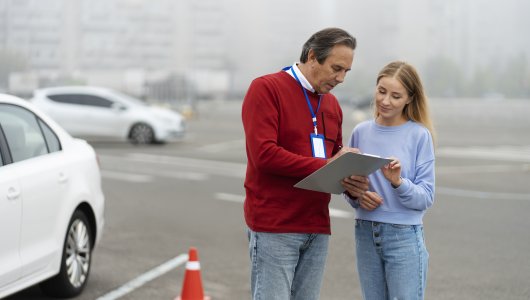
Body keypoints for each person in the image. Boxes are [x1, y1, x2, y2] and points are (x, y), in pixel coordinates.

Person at [241, 27, 368, 300]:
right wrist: (327, 165)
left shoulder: (332, 104)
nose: (341, 78)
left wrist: (352, 182)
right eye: (337, 68)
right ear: (312, 56)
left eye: (347, 71)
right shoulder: (266, 88)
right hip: (275, 226)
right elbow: (264, 154)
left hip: (317, 226)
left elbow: (333, 160)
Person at [342, 61, 436, 300]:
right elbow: (348, 186)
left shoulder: (419, 135)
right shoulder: (360, 132)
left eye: (396, 96)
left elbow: (426, 197)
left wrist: (398, 182)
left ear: (409, 98)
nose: (385, 101)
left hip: (403, 235)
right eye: (382, 91)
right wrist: (358, 196)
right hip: (365, 232)